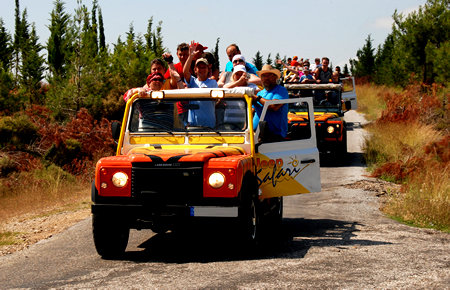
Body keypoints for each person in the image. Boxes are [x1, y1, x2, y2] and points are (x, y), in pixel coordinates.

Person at [183, 41, 218, 128]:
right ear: (195, 70)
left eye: (204, 67)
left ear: (208, 69)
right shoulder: (192, 81)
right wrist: (191, 56)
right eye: (199, 67)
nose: (201, 69)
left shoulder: (213, 83)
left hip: (209, 125)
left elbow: (216, 100)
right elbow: (185, 72)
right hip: (193, 125)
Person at [252, 64, 288, 142]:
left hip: (274, 136)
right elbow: (251, 111)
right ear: (261, 79)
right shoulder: (259, 93)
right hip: (256, 135)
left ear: (275, 77)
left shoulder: (281, 91)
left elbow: (273, 106)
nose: (266, 78)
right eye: (264, 76)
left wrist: (257, 98)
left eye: (269, 75)